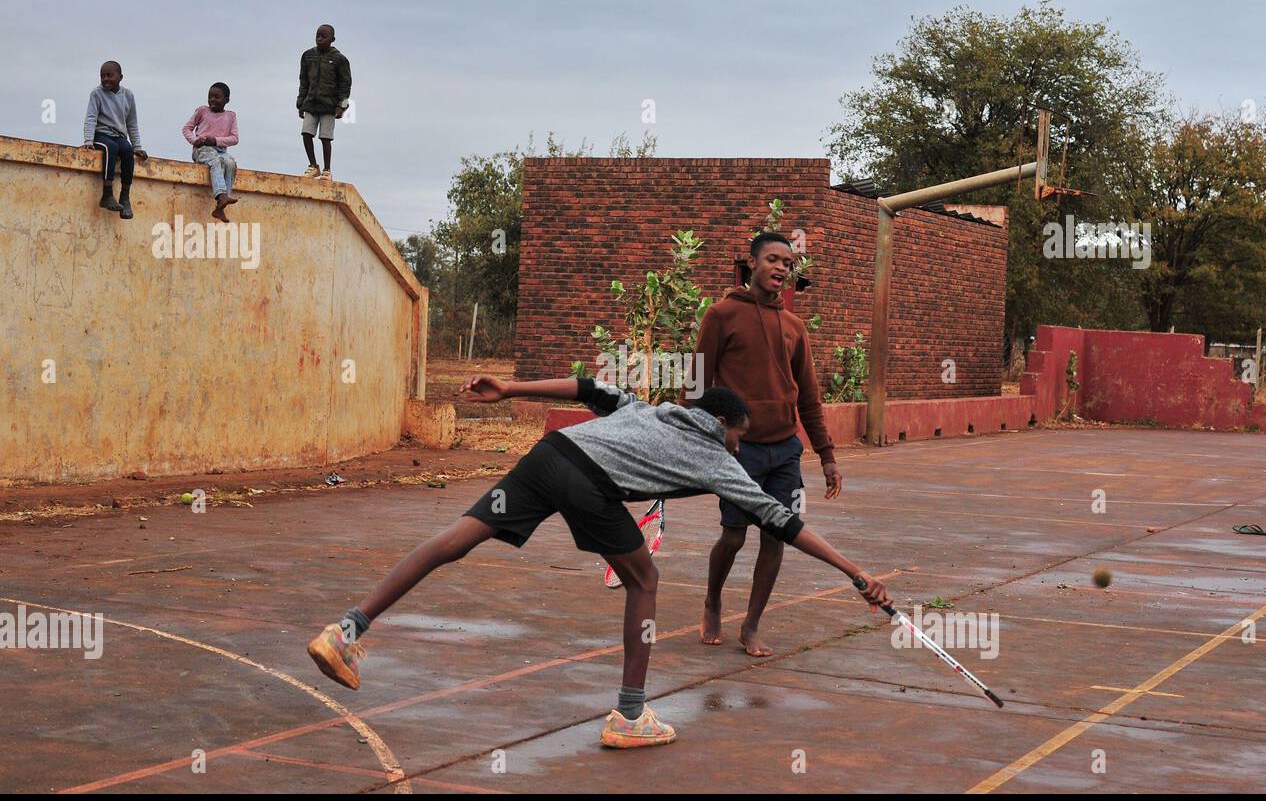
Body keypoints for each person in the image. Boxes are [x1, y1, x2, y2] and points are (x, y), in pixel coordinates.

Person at [307, 375, 889, 749]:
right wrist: (855, 573)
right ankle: (630, 717)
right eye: (738, 439)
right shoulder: (716, 453)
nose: (738, 450)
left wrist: (510, 389)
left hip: (549, 456)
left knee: (455, 540)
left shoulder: (653, 409)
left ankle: (347, 628)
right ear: (727, 429)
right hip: (588, 482)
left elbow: (589, 387)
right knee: (645, 578)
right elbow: (782, 520)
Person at [694, 231, 840, 657]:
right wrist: (699, 438)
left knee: (777, 537)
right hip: (740, 452)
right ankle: (713, 600)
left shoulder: (794, 327)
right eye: (773, 259)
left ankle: (752, 625)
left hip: (785, 451)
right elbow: (697, 382)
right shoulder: (721, 315)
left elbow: (809, 396)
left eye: (788, 263)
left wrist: (827, 456)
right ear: (752, 264)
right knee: (734, 537)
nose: (781, 268)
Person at [82, 61, 147, 219]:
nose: (105, 79)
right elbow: (91, 118)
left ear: (120, 77)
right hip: (101, 134)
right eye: (102, 76)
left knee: (126, 150)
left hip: (119, 135)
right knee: (111, 147)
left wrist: (137, 146)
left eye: (109, 75)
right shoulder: (96, 94)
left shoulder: (128, 95)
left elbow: (132, 123)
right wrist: (88, 141)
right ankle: (107, 194)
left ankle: (125, 197)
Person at [297, 24, 351, 181]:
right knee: (306, 133)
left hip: (329, 106)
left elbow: (345, 85)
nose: (319, 39)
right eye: (317, 36)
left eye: (323, 36)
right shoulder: (307, 56)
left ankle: (327, 170)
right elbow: (303, 81)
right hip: (310, 103)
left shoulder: (339, 59)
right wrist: (301, 102)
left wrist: (342, 106)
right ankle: (313, 165)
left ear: (332, 39)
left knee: (325, 137)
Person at [181, 82, 240, 222]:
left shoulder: (230, 116)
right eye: (210, 97)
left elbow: (234, 138)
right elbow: (186, 129)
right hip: (202, 149)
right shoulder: (202, 111)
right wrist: (195, 140)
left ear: (226, 100)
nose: (212, 100)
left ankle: (220, 206)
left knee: (230, 163)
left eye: (217, 97)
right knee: (216, 159)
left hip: (219, 149)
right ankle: (222, 195)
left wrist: (215, 141)